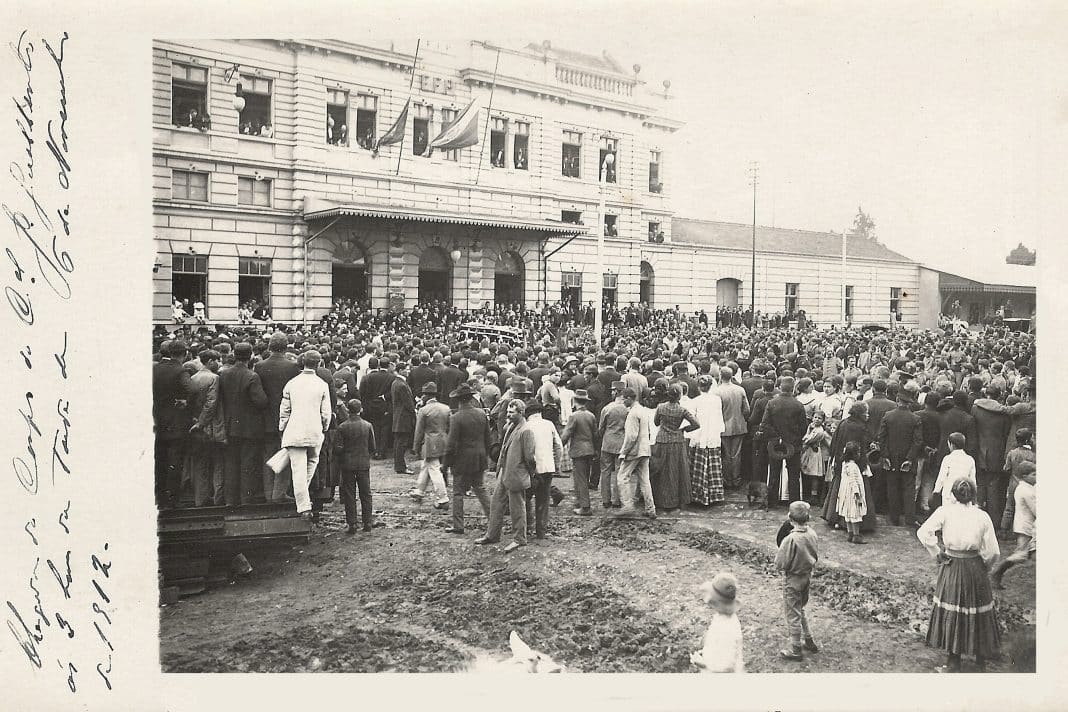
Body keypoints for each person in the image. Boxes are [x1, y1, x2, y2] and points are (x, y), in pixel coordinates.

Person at [916, 478, 1001, 672]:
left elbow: (923, 532)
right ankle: (980, 661)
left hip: (952, 565)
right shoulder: (982, 516)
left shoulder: (945, 511)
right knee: (976, 611)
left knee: (954, 610)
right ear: (974, 494)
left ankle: (954, 661)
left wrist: (937, 552)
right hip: (975, 567)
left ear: (953, 494)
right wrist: (984, 567)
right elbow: (994, 552)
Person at [477, 399, 537, 553]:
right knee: (496, 504)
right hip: (504, 471)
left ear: (521, 413)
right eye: (508, 412)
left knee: (517, 507)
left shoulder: (526, 430)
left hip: (517, 474)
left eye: (512, 412)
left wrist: (530, 474)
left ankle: (519, 539)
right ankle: (492, 535)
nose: (509, 415)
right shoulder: (510, 426)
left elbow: (529, 457)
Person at [279, 350, 332, 520]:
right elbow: (326, 413)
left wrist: (282, 427)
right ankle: (303, 503)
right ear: (319, 363)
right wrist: (323, 427)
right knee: (311, 464)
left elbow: (284, 410)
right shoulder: (322, 384)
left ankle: (302, 503)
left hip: (294, 431)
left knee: (298, 470)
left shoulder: (291, 383)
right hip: (314, 432)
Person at [218, 341, 268, 507]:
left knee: (231, 463)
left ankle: (230, 500)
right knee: (248, 464)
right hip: (249, 428)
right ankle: (246, 499)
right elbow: (261, 401)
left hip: (230, 425)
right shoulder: (252, 376)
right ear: (251, 356)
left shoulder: (224, 374)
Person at [255, 332, 301, 503]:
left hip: (265, 419)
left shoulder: (259, 366)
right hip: (287, 419)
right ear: (286, 346)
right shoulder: (292, 367)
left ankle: (268, 494)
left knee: (267, 456)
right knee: (285, 455)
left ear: (270, 346)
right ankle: (279, 493)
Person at [443, 383, 493, 535]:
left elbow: (451, 444)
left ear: (458, 400)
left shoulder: (456, 418)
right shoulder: (481, 414)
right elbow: (488, 439)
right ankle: (494, 520)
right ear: (471, 398)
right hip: (479, 456)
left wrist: (445, 464)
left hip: (462, 460)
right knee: (480, 488)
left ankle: (458, 525)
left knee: (458, 492)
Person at [775, 501, 820, 661]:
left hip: (792, 578)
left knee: (792, 613)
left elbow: (780, 563)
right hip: (807, 576)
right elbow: (816, 554)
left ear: (789, 518)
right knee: (800, 608)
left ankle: (795, 648)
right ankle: (808, 639)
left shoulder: (791, 539)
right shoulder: (813, 534)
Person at [153, 340, 195, 508]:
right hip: (176, 422)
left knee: (160, 461)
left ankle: (160, 497)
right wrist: (186, 402)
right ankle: (172, 499)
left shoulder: (155, 368)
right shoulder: (181, 371)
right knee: (175, 462)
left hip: (158, 420)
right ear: (184, 353)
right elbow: (192, 389)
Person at [758, 376, 807, 506]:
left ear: (779, 387)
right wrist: (793, 438)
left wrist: (776, 437)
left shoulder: (772, 403)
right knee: (793, 474)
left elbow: (764, 424)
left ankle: (772, 501)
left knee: (774, 472)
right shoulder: (798, 404)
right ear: (793, 388)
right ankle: (794, 502)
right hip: (793, 444)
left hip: (775, 444)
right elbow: (803, 427)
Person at [187, 349, 226, 507]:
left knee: (201, 464)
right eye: (217, 360)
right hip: (211, 427)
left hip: (197, 428)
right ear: (210, 361)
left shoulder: (193, 377)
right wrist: (202, 423)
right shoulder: (214, 378)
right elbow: (211, 404)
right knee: (218, 463)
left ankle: (200, 499)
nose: (219, 363)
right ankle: (218, 498)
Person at [652, 383, 700, 512]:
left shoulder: (661, 407)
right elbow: (696, 424)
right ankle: (679, 499)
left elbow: (656, 422)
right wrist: (684, 429)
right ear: (679, 396)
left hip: (662, 441)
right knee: (677, 470)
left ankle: (660, 499)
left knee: (661, 470)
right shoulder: (682, 410)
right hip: (677, 441)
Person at [877, 391, 923, 526]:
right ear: (909, 403)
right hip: (908, 459)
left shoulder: (888, 416)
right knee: (909, 489)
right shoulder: (915, 419)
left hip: (891, 458)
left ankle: (894, 517)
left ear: (897, 400)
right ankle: (909, 518)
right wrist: (909, 458)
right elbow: (918, 441)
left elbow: (881, 438)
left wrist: (885, 456)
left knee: (893, 488)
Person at [989, 463, 1036, 589]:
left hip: (1025, 525)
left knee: (1025, 553)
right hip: (1026, 527)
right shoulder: (1027, 491)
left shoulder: (1026, 487)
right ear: (1024, 476)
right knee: (1022, 554)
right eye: (1034, 474)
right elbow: (1036, 510)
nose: (1036, 477)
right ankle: (998, 571)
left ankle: (998, 572)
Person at [613, 388, 656, 519]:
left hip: (634, 450)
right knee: (644, 480)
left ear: (629, 398)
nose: (622, 401)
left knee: (622, 477)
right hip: (645, 448)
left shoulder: (632, 414)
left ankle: (628, 506)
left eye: (623, 398)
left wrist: (623, 452)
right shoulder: (642, 410)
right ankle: (650, 508)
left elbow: (631, 436)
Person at [334, 399, 375, 533]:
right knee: (366, 493)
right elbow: (372, 447)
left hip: (347, 465)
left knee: (349, 495)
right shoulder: (367, 425)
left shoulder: (342, 427)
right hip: (363, 463)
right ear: (361, 409)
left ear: (348, 410)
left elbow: (338, 449)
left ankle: (352, 524)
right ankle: (367, 522)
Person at [690, 573, 745, 673]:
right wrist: (707, 652)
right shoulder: (722, 616)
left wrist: (702, 663)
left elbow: (726, 665)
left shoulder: (727, 628)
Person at [410, 382, 451, 510]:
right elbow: (450, 427)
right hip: (444, 440)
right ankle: (419, 491)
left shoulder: (423, 410)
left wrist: (415, 447)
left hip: (430, 443)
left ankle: (443, 497)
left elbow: (419, 431)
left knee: (434, 469)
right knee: (426, 466)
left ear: (426, 396)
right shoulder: (446, 408)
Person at [687, 375, 726, 505]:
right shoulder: (716, 400)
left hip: (700, 435)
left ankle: (699, 495)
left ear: (699, 387)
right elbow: (719, 418)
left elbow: (692, 420)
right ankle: (714, 494)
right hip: (712, 435)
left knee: (699, 465)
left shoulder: (695, 401)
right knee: (713, 465)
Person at [561, 389, 597, 516]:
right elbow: (595, 434)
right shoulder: (591, 415)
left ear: (575, 401)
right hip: (589, 449)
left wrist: (559, 446)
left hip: (578, 450)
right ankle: (580, 501)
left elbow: (567, 434)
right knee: (584, 477)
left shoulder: (574, 416)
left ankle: (585, 507)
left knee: (580, 478)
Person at [597, 381, 629, 509]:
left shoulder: (607, 408)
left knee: (605, 472)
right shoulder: (628, 409)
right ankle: (617, 499)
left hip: (607, 442)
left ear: (616, 392)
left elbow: (601, 428)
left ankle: (605, 500)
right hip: (622, 442)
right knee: (619, 472)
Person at [999, 429, 1036, 534]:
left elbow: (1006, 468)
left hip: (1013, 482)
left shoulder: (1012, 453)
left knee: (1009, 506)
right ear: (1028, 440)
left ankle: (1003, 530)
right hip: (1027, 484)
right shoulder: (1033, 455)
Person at [835, 442, 868, 544]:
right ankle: (856, 535)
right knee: (855, 514)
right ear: (853, 454)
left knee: (848, 514)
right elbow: (854, 481)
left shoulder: (845, 464)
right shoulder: (853, 466)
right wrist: (857, 494)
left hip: (845, 492)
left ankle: (850, 533)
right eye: (857, 452)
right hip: (853, 494)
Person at [932, 432, 976, 507]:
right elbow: (972, 480)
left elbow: (941, 478)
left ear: (951, 445)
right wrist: (973, 496)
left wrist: (936, 491)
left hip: (949, 494)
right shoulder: (970, 459)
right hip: (964, 495)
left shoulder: (947, 459)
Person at [800, 410, 831, 506]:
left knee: (814, 474)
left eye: (819, 418)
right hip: (808, 452)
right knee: (807, 472)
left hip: (815, 453)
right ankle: (807, 493)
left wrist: (808, 433)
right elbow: (805, 437)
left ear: (822, 421)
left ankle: (814, 495)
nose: (816, 420)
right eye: (815, 417)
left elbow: (807, 439)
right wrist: (808, 431)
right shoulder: (811, 427)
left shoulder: (820, 431)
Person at [391, 361, 416, 474]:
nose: (408, 371)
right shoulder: (401, 384)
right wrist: (414, 410)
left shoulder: (396, 382)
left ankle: (399, 465)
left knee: (398, 442)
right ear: (401, 370)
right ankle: (401, 467)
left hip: (398, 415)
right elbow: (408, 403)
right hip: (403, 417)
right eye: (406, 369)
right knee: (401, 443)